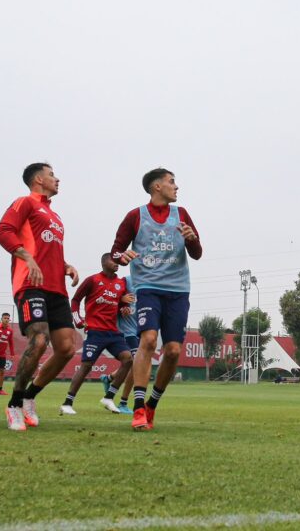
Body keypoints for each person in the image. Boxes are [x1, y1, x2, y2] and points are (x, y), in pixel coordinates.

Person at [112, 168, 202, 431]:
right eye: (172, 182)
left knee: (173, 351)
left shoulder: (181, 214)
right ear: (156, 187)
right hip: (148, 287)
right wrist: (122, 257)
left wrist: (192, 240)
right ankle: (138, 408)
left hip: (178, 290)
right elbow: (115, 251)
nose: (177, 186)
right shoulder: (135, 216)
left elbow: (197, 253)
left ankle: (152, 404)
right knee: (149, 340)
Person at [0, 163, 80, 431]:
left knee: (67, 348)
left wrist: (65, 265)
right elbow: (3, 232)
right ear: (39, 179)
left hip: (57, 289)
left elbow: (47, 248)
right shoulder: (25, 203)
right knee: (40, 340)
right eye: (52, 174)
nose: (57, 178)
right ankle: (14, 404)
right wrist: (26, 256)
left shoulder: (54, 215)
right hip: (30, 284)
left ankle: (30, 396)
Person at [59, 254, 135, 416]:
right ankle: (67, 402)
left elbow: (122, 304)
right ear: (103, 263)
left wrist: (124, 306)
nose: (116, 264)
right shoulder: (92, 280)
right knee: (86, 366)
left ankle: (109, 397)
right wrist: (78, 320)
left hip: (114, 332)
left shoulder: (121, 283)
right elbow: (76, 300)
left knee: (128, 359)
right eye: (112, 261)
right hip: (95, 331)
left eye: (118, 262)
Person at [101, 276, 139, 414]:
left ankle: (109, 378)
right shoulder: (126, 281)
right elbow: (108, 297)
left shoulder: (150, 281)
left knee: (133, 364)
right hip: (126, 331)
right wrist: (121, 302)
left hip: (140, 330)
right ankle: (123, 402)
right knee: (136, 364)